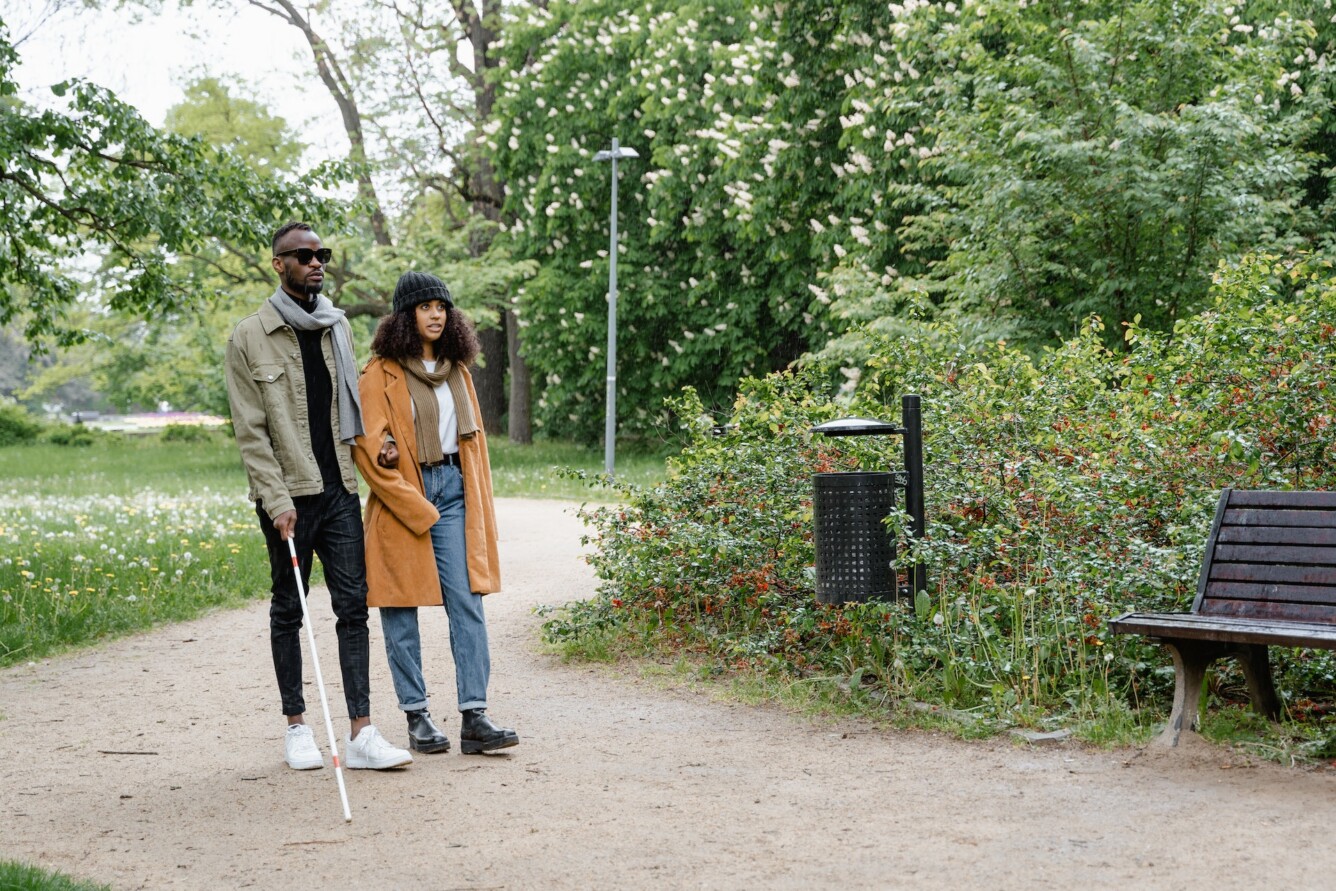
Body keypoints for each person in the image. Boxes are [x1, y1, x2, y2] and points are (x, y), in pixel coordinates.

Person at [225, 221, 412, 772]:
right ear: (278, 264)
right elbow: (251, 432)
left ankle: (361, 733)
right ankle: (297, 728)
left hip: (339, 491)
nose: (316, 263)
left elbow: (355, 403)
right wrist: (275, 499)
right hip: (288, 496)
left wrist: (379, 446)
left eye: (321, 254)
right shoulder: (248, 336)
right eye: (303, 255)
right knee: (290, 608)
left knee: (353, 607)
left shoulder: (337, 326)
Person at [352, 271, 519, 755]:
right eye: (424, 307)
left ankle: (475, 716)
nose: (435, 315)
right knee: (400, 607)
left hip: (455, 491)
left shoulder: (457, 371)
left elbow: (474, 447)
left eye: (441, 307)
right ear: (405, 316)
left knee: (467, 602)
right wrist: (416, 504)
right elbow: (367, 449)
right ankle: (417, 715)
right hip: (406, 496)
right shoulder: (379, 374)